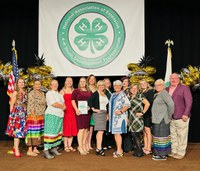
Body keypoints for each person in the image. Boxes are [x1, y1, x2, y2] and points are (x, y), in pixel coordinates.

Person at [166, 73, 192, 159]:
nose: (173, 80)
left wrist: (186, 113)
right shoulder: (166, 89)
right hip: (170, 117)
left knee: (182, 135)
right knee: (173, 135)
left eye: (175, 78)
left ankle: (181, 152)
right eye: (171, 78)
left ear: (179, 79)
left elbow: (189, 102)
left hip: (181, 116)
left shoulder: (184, 88)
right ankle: (174, 151)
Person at [151, 79, 174, 161]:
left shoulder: (164, 93)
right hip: (157, 119)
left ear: (163, 85)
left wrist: (168, 116)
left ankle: (162, 155)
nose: (157, 86)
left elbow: (171, 105)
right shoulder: (157, 94)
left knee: (162, 137)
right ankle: (159, 154)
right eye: (156, 85)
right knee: (158, 137)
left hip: (162, 120)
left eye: (159, 85)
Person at [43, 79, 66, 159]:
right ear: (50, 85)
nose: (55, 85)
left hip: (59, 115)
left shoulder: (60, 95)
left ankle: (54, 148)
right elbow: (53, 103)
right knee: (50, 132)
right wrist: (62, 106)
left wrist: (63, 106)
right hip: (51, 114)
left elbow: (63, 103)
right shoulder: (49, 93)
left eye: (56, 84)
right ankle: (46, 150)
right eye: (53, 84)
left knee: (57, 132)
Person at [5, 78, 27, 158]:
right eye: (20, 82)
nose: (21, 83)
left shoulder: (25, 92)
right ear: (17, 84)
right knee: (17, 133)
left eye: (23, 82)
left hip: (24, 113)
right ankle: (16, 150)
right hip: (17, 114)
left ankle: (15, 147)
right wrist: (12, 116)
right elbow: (12, 104)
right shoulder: (15, 92)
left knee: (21, 132)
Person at [109, 80, 130, 158]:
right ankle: (119, 149)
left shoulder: (122, 95)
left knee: (118, 133)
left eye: (118, 85)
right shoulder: (113, 95)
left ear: (121, 87)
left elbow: (127, 105)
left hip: (120, 118)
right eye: (115, 85)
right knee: (115, 134)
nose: (116, 87)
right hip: (113, 118)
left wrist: (121, 111)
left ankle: (119, 151)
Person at [25, 79, 46, 156]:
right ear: (33, 85)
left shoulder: (42, 93)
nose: (38, 85)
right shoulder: (31, 93)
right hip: (33, 115)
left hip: (41, 115)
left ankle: (35, 148)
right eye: (36, 84)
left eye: (39, 84)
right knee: (32, 133)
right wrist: (34, 117)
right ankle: (29, 150)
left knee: (38, 133)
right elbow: (31, 106)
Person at [128, 84, 150, 157]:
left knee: (136, 135)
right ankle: (138, 150)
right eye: (132, 88)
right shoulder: (129, 97)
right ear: (130, 89)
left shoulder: (140, 96)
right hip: (131, 118)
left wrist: (142, 113)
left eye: (135, 88)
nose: (134, 90)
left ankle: (140, 152)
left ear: (138, 89)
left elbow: (147, 104)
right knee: (133, 135)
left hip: (138, 118)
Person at [72, 77, 92, 155]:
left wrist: (89, 107)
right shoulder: (76, 91)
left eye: (84, 81)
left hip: (87, 113)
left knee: (86, 129)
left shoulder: (89, 91)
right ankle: (80, 146)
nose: (83, 83)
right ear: (79, 83)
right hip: (79, 112)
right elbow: (73, 101)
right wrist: (76, 109)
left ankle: (83, 146)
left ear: (86, 82)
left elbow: (91, 101)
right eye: (81, 81)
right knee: (81, 129)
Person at [88, 80, 109, 156]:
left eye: (102, 85)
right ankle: (99, 148)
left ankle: (98, 148)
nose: (101, 87)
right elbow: (89, 101)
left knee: (101, 131)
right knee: (100, 131)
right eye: (100, 85)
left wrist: (107, 114)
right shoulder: (96, 93)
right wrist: (93, 109)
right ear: (97, 86)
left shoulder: (104, 93)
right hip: (98, 114)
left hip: (104, 113)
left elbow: (106, 105)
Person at [60, 77, 77, 152]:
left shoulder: (75, 90)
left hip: (73, 111)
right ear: (65, 82)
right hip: (65, 111)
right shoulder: (62, 91)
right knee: (66, 128)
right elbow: (60, 102)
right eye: (68, 81)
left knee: (72, 127)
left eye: (71, 81)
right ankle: (65, 146)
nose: (69, 82)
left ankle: (70, 145)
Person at [139, 79, 155, 155]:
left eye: (144, 83)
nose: (143, 84)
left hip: (148, 113)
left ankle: (149, 148)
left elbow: (151, 104)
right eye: (141, 84)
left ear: (147, 83)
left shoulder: (150, 91)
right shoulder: (141, 92)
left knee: (147, 130)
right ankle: (145, 146)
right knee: (144, 131)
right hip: (142, 114)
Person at [86, 74, 97, 151]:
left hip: (94, 111)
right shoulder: (86, 88)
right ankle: (85, 144)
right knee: (86, 128)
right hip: (87, 110)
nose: (92, 80)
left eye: (93, 79)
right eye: (90, 79)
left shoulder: (97, 88)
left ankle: (89, 143)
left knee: (91, 128)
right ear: (88, 80)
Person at [102, 78, 113, 150]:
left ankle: (109, 143)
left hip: (112, 111)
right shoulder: (104, 92)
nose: (107, 83)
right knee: (105, 128)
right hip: (106, 111)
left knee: (109, 128)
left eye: (108, 82)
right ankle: (104, 144)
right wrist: (107, 113)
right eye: (105, 82)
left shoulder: (111, 91)